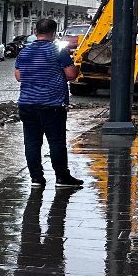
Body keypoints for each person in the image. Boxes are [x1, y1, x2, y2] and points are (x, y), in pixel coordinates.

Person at [15, 17, 84, 188]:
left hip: (26, 104)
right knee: (56, 142)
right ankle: (62, 178)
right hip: (52, 105)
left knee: (31, 143)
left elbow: (18, 77)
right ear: (54, 34)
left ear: (35, 32)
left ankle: (36, 179)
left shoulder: (24, 52)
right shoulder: (57, 51)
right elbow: (71, 75)